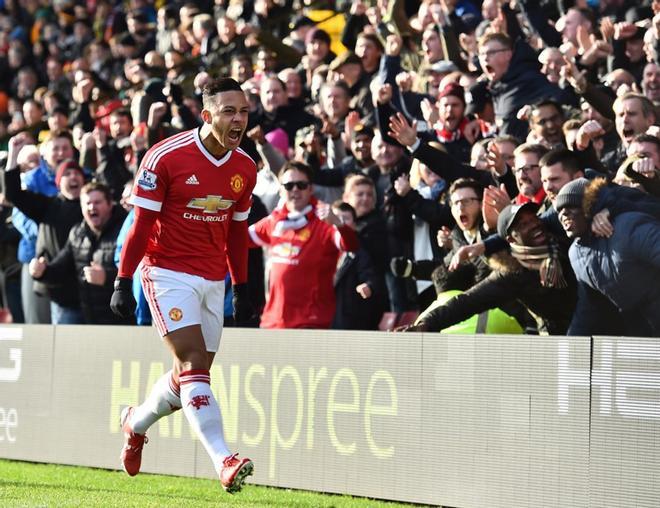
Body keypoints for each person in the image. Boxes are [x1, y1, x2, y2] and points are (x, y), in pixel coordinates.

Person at [109, 78, 256, 493]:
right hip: (166, 272)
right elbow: (140, 224)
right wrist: (124, 278)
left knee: (189, 376)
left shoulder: (245, 168)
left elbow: (237, 233)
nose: (238, 119)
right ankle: (224, 459)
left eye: (243, 111)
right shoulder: (166, 157)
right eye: (229, 111)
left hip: (213, 278)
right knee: (193, 363)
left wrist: (241, 286)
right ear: (207, 115)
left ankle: (135, 422)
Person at [249, 161, 359, 329]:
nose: (295, 190)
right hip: (273, 323)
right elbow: (238, 240)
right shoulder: (275, 220)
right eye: (289, 185)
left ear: (311, 188)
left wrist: (338, 224)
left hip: (311, 323)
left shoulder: (324, 219)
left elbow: (351, 245)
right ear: (280, 189)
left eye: (301, 185)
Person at [556, 178, 660, 336]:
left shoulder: (628, 226)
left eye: (570, 206)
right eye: (560, 210)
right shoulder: (576, 254)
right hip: (641, 334)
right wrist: (570, 348)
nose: (564, 213)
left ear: (588, 206)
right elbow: (588, 309)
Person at [29, 181, 130, 325]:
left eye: (97, 202)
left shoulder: (126, 230)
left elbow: (139, 274)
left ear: (109, 204)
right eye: (87, 203)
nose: (92, 207)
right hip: (89, 321)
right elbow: (60, 269)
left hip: (123, 322)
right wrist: (42, 272)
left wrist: (107, 278)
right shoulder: (77, 233)